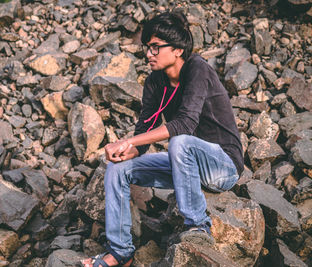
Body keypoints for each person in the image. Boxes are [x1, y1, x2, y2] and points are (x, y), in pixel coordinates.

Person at [81, 9, 244, 267]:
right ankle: (120, 251)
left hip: (222, 165)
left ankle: (198, 228)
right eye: (147, 47)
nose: (148, 54)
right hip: (186, 166)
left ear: (178, 49)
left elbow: (185, 123)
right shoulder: (156, 82)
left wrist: (130, 142)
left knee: (180, 141)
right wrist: (125, 150)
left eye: (156, 47)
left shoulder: (197, 69)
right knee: (118, 169)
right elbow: (143, 135)